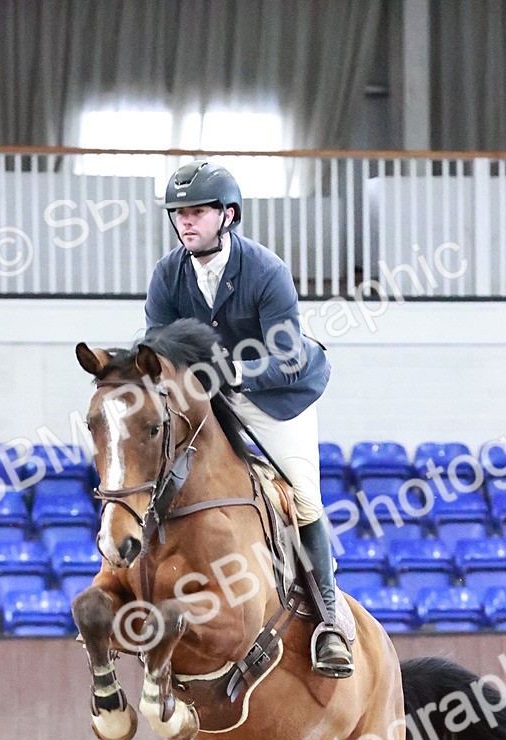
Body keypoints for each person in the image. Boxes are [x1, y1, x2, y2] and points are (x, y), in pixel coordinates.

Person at [144, 159, 354, 679]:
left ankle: (329, 618)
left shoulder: (266, 271)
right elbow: (156, 347)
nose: (185, 222)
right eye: (178, 213)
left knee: (303, 495)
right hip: (210, 395)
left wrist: (229, 370)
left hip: (278, 394)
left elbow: (287, 359)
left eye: (196, 212)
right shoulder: (168, 274)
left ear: (228, 215)